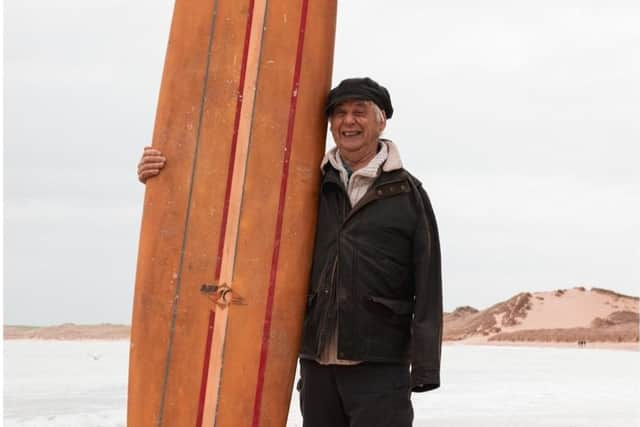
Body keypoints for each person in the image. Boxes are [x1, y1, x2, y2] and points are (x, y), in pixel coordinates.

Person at [137, 77, 442, 427]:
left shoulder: (406, 193)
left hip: (380, 366)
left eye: (359, 112)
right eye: (339, 113)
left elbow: (428, 279)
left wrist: (425, 367)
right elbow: (228, 202)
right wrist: (166, 174)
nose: (348, 121)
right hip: (315, 365)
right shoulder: (305, 185)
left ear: (381, 120)